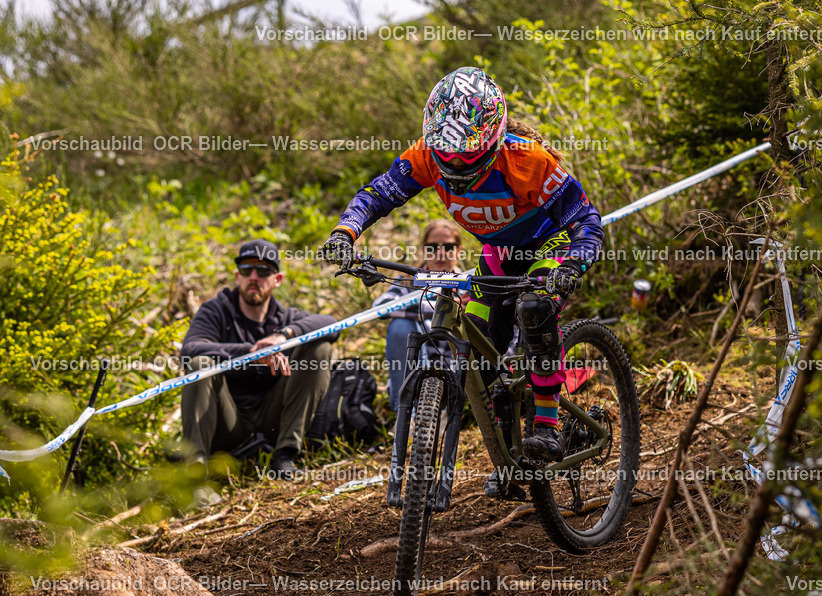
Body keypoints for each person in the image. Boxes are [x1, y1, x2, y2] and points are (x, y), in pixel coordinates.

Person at [321, 66, 603, 494]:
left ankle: (546, 425)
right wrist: (346, 232)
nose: (452, 161)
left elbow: (585, 219)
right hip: (499, 254)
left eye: (465, 151)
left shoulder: (527, 160)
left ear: (491, 136)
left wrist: (575, 263)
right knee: (479, 352)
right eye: (445, 151)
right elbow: (378, 194)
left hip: (551, 244)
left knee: (535, 309)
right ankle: (512, 461)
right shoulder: (426, 155)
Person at [180, 239, 339, 479]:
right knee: (199, 364)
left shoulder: (286, 317)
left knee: (320, 349)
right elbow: (190, 349)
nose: (254, 277)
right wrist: (252, 354)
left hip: (274, 419)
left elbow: (332, 325)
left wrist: (285, 336)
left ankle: (285, 455)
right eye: (247, 270)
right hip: (227, 422)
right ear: (238, 277)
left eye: (263, 270)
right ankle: (195, 473)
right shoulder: (216, 311)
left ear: (277, 279)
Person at [373, 219, 464, 412]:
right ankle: (407, 416)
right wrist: (442, 308)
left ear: (459, 250)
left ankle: (447, 411)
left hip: (454, 374)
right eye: (432, 247)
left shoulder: (470, 286)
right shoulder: (408, 282)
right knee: (399, 327)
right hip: (414, 370)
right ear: (424, 250)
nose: (440, 253)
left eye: (448, 247)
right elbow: (380, 307)